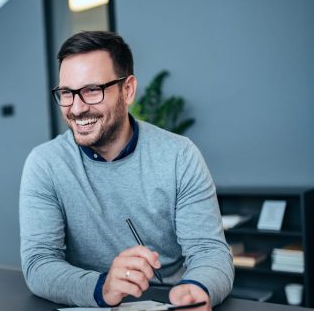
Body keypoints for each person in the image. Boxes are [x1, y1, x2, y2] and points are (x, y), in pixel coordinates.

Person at [19, 31, 233, 310]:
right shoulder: (45, 164)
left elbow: (209, 251)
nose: (77, 108)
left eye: (92, 90)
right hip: (93, 303)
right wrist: (102, 286)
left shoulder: (179, 155)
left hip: (169, 302)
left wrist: (197, 288)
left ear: (128, 90)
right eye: (66, 93)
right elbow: (39, 263)